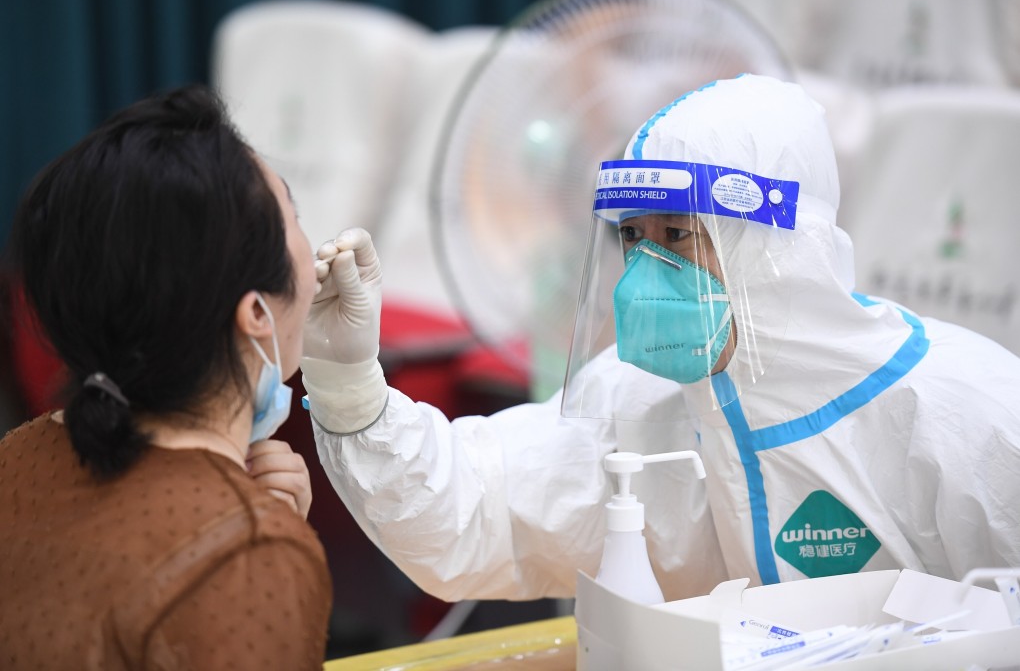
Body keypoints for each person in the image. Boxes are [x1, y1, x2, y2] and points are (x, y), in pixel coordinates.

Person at [301, 74, 1020, 603]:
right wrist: (351, 385)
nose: (648, 271)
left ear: (775, 244)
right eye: (633, 240)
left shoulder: (962, 411)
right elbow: (471, 512)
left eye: (677, 235)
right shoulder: (635, 401)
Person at [0, 85, 331, 668]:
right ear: (255, 313)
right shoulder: (245, 552)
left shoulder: (19, 455)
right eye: (294, 217)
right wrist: (258, 547)